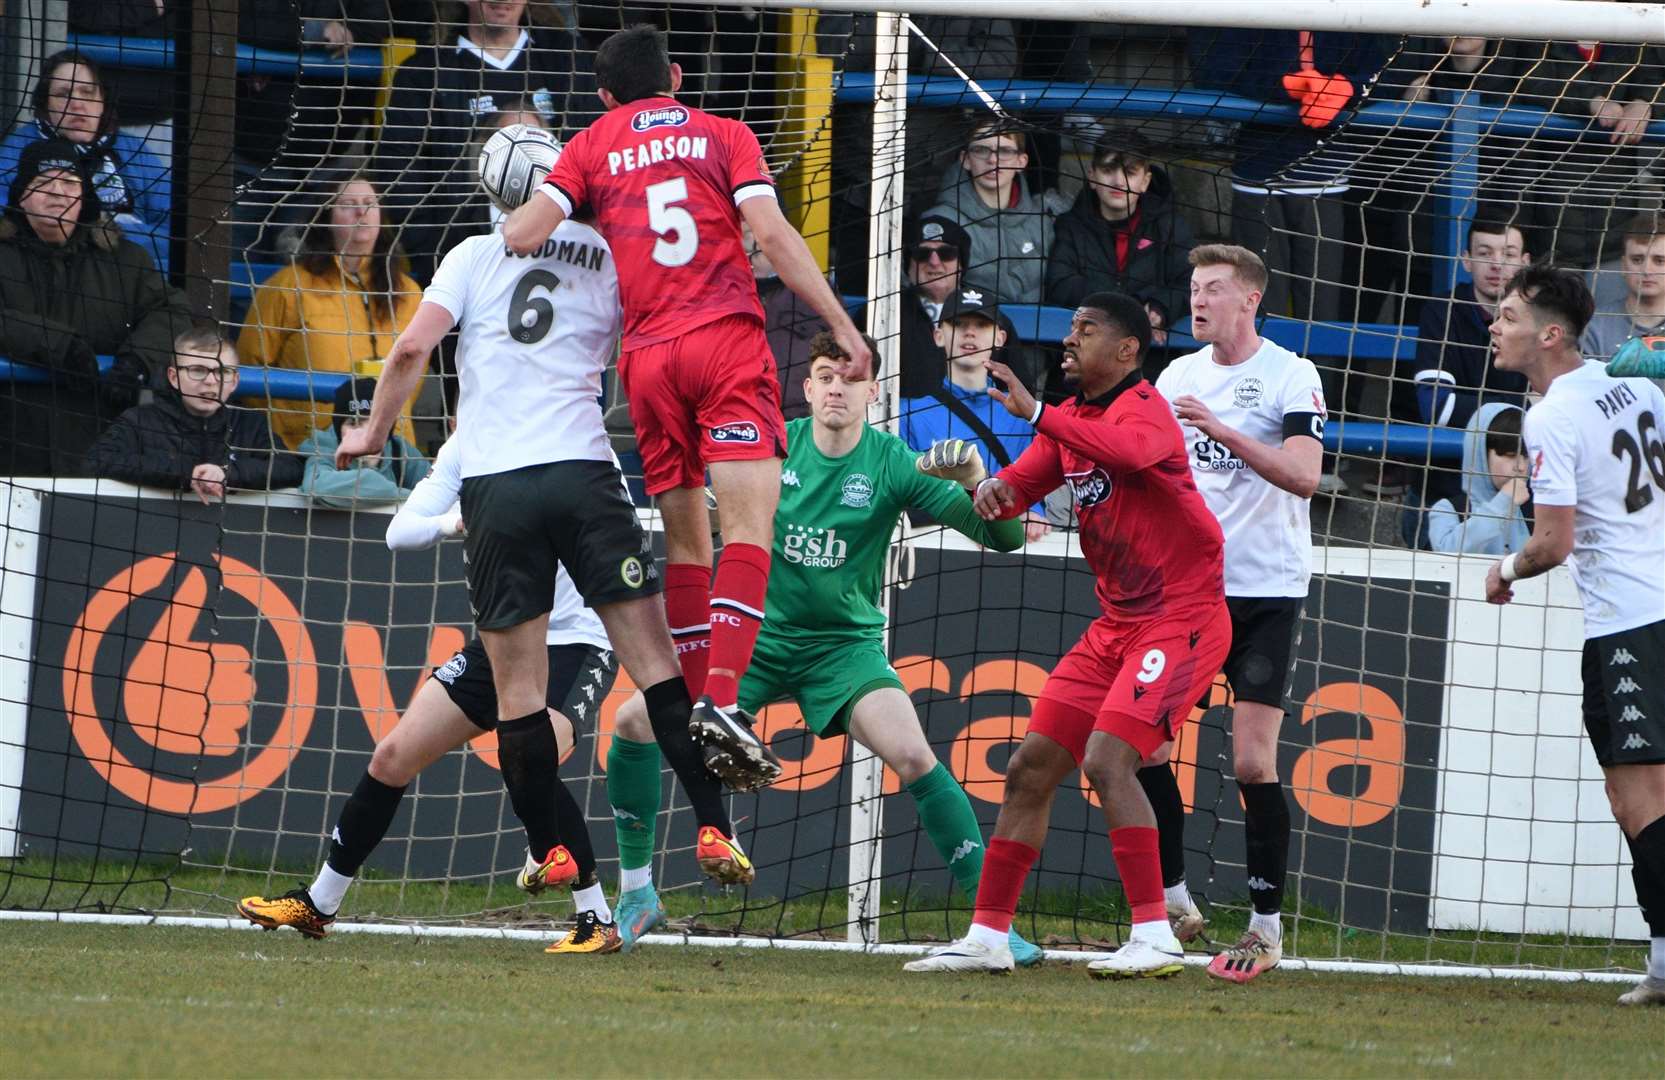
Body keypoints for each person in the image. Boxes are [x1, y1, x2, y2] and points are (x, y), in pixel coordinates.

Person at [340, 156, 751, 952]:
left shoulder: (469, 253)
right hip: (584, 472)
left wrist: (374, 431)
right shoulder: (609, 251)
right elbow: (654, 349)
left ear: (492, 190)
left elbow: (408, 352)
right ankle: (712, 828)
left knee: (517, 698)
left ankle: (552, 850)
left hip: (495, 484)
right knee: (658, 663)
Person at [502, 24, 871, 789]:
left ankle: (700, 702)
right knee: (748, 524)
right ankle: (725, 703)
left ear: (604, 94)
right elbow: (769, 229)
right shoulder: (725, 134)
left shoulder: (591, 145)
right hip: (723, 341)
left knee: (684, 539)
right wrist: (840, 325)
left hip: (645, 362)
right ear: (674, 75)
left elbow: (522, 233)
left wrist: (570, 197)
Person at [616, 331, 1043, 964]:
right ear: (809, 387)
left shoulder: (894, 461)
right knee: (631, 722)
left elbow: (1003, 538)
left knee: (915, 758)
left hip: (843, 650)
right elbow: (705, 519)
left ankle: (993, 924)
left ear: (873, 391)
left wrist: (981, 477)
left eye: (850, 379)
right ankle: (636, 893)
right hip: (753, 640)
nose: (837, 388)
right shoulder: (771, 446)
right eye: (825, 376)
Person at [905, 293, 1230, 977]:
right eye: (1070, 329)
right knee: (1028, 770)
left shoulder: (1144, 411)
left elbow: (1131, 453)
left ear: (1127, 351)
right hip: (1117, 623)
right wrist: (976, 483)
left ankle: (1155, 935)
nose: (1069, 341)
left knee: (1109, 761)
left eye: (1086, 331)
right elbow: (1007, 501)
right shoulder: (1072, 422)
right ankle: (988, 937)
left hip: (1181, 618)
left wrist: (1032, 413)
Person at [238, 434, 627, 954]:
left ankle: (595, 917)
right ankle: (319, 903)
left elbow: (602, 535)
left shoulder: (579, 439)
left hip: (577, 641)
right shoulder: (467, 445)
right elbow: (399, 533)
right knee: (392, 756)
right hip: (503, 639)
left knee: (536, 758)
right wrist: (456, 522)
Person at [1483, 264, 1665, 1007]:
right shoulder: (1638, 386)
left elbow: (1551, 543)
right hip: (1655, 600)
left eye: (1508, 315)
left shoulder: (1551, 415)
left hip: (1627, 620)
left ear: (1548, 336)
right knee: (1643, 797)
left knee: (1639, 802)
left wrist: (1502, 569)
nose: (1494, 324)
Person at [1149, 244, 1327, 983]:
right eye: (1193, 288)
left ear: (1249, 300)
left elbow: (1304, 477)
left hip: (1264, 590)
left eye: (1213, 289)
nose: (1199, 301)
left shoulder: (1291, 374)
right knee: (1142, 749)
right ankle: (1173, 906)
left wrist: (1218, 429)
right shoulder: (1174, 376)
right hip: (1187, 590)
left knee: (1252, 760)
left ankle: (1263, 928)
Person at [0, 140, 192, 476]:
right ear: (22, 196)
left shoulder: (127, 260)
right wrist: (60, 346)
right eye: (43, 183)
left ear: (84, 195)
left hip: (100, 451)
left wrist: (137, 361)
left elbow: (174, 311)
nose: (58, 193)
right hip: (11, 449)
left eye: (70, 182)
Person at [374, 0, 598, 282]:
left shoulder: (568, 59)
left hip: (567, 261)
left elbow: (598, 154)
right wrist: (443, 259)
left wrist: (583, 238)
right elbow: (398, 172)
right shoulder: (423, 75)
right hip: (470, 266)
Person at [237, 174, 426, 451]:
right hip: (307, 449)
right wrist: (289, 428)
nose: (361, 211)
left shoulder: (410, 293)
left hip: (390, 452)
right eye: (348, 204)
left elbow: (415, 375)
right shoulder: (288, 285)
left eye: (369, 203)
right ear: (325, 217)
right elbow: (250, 365)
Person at [900, 287, 1049, 540]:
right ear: (938, 335)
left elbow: (1033, 495)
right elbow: (906, 496)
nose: (970, 332)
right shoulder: (907, 413)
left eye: (981, 324)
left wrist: (1034, 512)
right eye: (958, 323)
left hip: (1007, 547)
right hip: (934, 546)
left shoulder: (1023, 417)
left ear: (1000, 338)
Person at [86, 324, 302, 498]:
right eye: (197, 371)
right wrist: (187, 473)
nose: (210, 381)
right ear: (173, 377)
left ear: (234, 381)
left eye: (222, 372)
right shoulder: (138, 420)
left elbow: (290, 468)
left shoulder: (251, 424)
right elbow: (97, 461)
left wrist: (227, 473)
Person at [0, 49, 171, 268]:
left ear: (102, 102)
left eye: (87, 92)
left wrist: (120, 239)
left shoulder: (132, 149)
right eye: (63, 94)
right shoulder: (19, 149)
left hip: (130, 270)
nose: (77, 104)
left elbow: (176, 228)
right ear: (45, 104)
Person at [1045, 129, 1195, 346]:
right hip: (1086, 348)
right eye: (1108, 170)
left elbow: (1190, 281)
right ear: (1092, 177)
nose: (1118, 181)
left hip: (1152, 352)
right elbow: (1060, 284)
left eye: (1130, 172)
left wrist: (1159, 308)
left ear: (1145, 181)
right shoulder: (1070, 225)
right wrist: (1129, 309)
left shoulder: (1169, 225)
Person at [924, 117, 1067, 307]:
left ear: (1021, 161)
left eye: (1004, 151)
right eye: (981, 150)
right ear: (965, 159)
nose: (993, 160)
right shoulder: (940, 222)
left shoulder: (1042, 221)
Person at [298, 377, 431, 507]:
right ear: (339, 430)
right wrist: (405, 496)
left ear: (388, 426)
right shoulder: (324, 448)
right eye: (354, 423)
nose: (366, 434)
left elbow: (436, 490)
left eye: (375, 423)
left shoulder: (400, 450)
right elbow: (317, 487)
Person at [745, 218, 829, 421]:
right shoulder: (719, 292)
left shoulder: (817, 291)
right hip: (740, 422)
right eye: (750, 230)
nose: (760, 239)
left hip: (802, 425)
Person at [1425, 404, 1531, 556]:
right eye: (1510, 455)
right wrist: (1503, 503)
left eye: (1527, 457)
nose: (1521, 466)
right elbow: (1446, 555)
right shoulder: (1449, 509)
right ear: (1479, 454)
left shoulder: (1538, 509)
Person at [892, 215, 971, 399]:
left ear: (961, 264)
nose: (934, 262)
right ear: (909, 264)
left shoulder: (988, 314)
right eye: (922, 254)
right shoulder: (883, 312)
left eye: (947, 254)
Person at [1581, 215, 1665, 387]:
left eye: (1659, 261)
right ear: (1623, 265)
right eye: (1637, 260)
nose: (1647, 270)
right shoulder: (1594, 327)